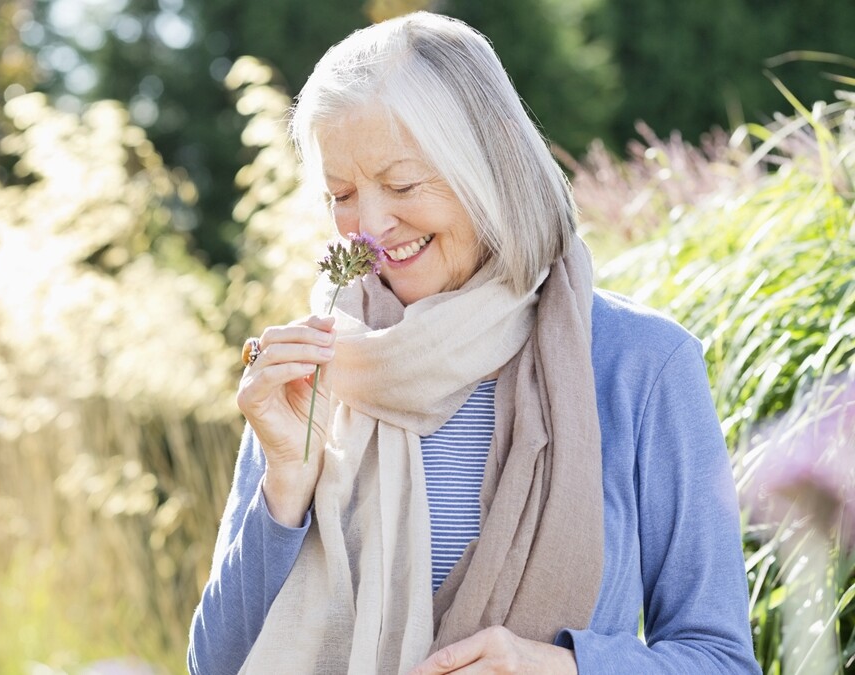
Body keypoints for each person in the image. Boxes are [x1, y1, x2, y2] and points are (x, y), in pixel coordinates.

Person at [188, 12, 760, 675]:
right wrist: (284, 486)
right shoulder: (315, 372)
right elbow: (215, 665)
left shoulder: (641, 366)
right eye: (342, 194)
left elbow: (721, 659)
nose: (370, 225)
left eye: (402, 185)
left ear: (493, 161)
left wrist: (566, 667)